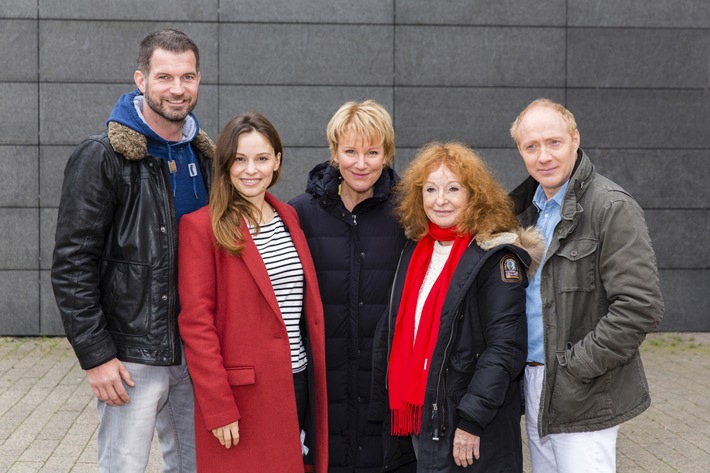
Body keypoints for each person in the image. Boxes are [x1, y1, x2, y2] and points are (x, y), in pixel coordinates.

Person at [51, 28, 212, 472]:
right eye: (164, 77)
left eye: (187, 77)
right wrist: (96, 355)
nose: (177, 89)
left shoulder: (205, 156)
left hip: (195, 349)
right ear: (140, 80)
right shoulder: (102, 156)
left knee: (196, 466)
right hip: (130, 355)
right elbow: (72, 264)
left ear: (199, 79)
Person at [508, 98, 664, 472]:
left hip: (582, 389)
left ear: (575, 139)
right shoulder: (523, 210)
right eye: (532, 146)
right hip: (533, 382)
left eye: (554, 142)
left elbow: (640, 307)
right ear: (520, 151)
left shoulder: (610, 207)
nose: (543, 156)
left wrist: (575, 366)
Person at [371, 142, 544, 472]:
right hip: (421, 412)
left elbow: (505, 348)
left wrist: (472, 420)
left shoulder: (495, 255)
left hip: (467, 421)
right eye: (431, 189)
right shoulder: (417, 249)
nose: (440, 200)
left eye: (453, 188)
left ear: (473, 194)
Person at [177, 112, 328, 472]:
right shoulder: (201, 227)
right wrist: (218, 407)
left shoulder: (289, 217)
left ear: (277, 161)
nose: (251, 169)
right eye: (240, 159)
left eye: (262, 158)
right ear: (226, 164)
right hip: (242, 397)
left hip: (297, 381)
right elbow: (197, 325)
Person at [289, 100, 411, 473]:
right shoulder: (300, 214)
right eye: (351, 151)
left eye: (372, 152)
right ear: (334, 153)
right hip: (324, 390)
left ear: (387, 154)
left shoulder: (410, 216)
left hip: (387, 394)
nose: (361, 163)